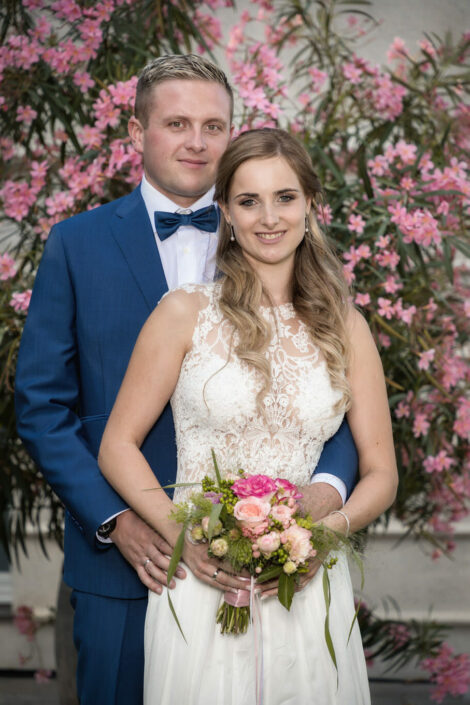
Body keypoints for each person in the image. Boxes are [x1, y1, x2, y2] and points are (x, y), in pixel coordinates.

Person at [14, 57, 358, 705]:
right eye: (176, 123)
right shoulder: (76, 244)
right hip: (126, 561)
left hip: (269, 561)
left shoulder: (274, 237)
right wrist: (119, 520)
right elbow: (41, 407)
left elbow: (331, 399)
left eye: (213, 124)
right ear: (136, 131)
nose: (197, 141)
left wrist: (319, 496)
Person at [98, 128, 398, 704]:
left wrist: (321, 537)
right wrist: (179, 532)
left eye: (285, 197)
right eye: (248, 200)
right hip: (203, 580)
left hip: (308, 585)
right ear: (226, 214)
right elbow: (117, 444)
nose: (269, 217)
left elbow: (381, 472)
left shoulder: (347, 326)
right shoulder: (184, 312)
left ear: (311, 205)